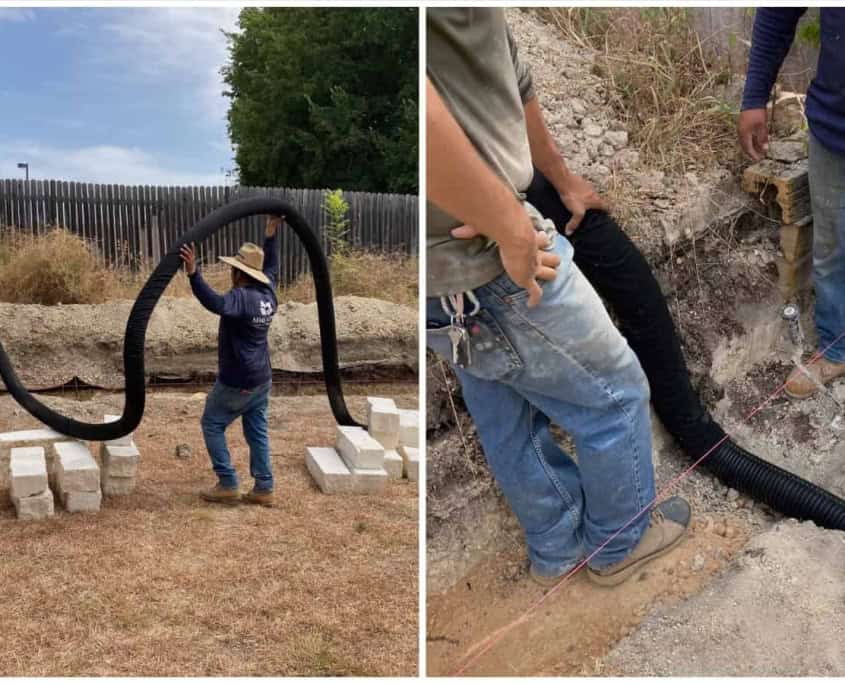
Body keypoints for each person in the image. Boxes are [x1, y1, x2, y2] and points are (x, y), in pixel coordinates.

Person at [426, 7, 690, 587]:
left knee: (510, 418)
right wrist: (509, 224)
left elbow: (505, 70)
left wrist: (562, 180)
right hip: (492, 256)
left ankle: (556, 548)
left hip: (439, 279)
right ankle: (623, 544)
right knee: (615, 395)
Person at [739, 8, 845, 398]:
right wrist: (754, 96)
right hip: (837, 127)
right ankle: (838, 348)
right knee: (832, 247)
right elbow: (777, 14)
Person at [179, 215, 282, 506]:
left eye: (233, 269)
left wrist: (193, 273)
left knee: (212, 422)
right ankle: (264, 488)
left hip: (238, 380)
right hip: (262, 378)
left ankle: (228, 483)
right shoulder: (268, 291)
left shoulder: (240, 297)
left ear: (239, 273)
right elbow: (272, 267)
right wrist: (271, 237)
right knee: (257, 431)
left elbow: (216, 303)